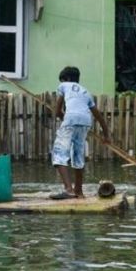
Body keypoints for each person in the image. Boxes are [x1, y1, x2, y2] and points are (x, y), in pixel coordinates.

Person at [50, 66, 110, 199]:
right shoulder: (85, 92)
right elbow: (98, 116)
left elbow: (58, 111)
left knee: (59, 153)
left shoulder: (64, 86)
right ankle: (79, 191)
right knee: (78, 156)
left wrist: (63, 117)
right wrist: (106, 135)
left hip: (71, 119)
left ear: (67, 79)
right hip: (85, 122)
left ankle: (68, 189)